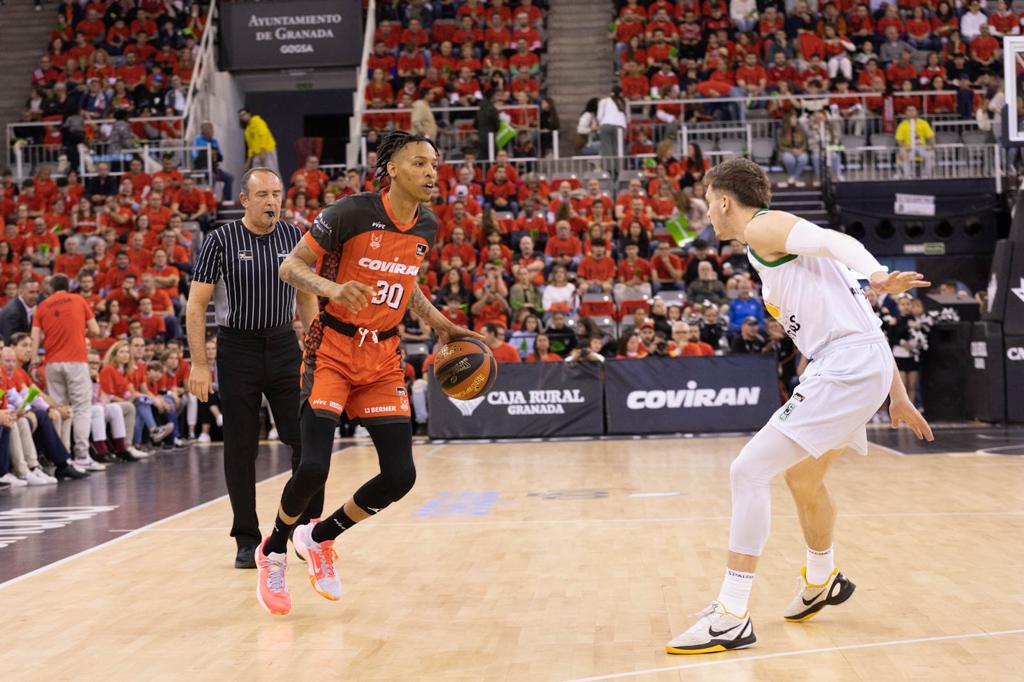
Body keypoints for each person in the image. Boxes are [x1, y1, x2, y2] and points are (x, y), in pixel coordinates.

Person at [665, 157, 932, 655]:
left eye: (708, 202)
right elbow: (862, 322)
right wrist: (896, 393)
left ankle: (731, 614)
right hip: (857, 363)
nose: (707, 212)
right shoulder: (778, 250)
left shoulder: (764, 227)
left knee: (748, 470)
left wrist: (878, 274)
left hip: (847, 368)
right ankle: (821, 577)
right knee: (803, 478)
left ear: (725, 201)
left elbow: (838, 240)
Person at [257, 131, 479, 615]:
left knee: (400, 475)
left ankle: (319, 537)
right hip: (333, 349)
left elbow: (406, 283)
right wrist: (332, 289)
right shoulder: (350, 212)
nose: (430, 173)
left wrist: (441, 324)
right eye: (419, 163)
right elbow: (290, 267)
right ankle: (273, 550)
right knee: (313, 467)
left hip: (382, 357)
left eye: (434, 165)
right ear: (392, 169)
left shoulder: (427, 225)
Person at [187, 167, 320, 569]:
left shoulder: (295, 238)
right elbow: (197, 305)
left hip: (283, 346)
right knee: (240, 449)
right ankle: (246, 539)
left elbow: (307, 298)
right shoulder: (220, 240)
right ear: (244, 200)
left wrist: (316, 351)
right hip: (237, 350)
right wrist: (199, 363)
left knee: (306, 439)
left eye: (276, 194)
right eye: (262, 195)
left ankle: (302, 529)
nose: (271, 202)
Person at [31, 274, 103, 472]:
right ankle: (82, 455)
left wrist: (34, 361)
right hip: (76, 361)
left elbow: (35, 336)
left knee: (59, 409)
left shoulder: (42, 306)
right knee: (81, 407)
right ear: (68, 286)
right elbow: (95, 330)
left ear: (51, 288)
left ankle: (62, 457)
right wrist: (79, 330)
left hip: (52, 363)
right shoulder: (79, 300)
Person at [894, 105, 934, 178]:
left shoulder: (923, 123)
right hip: (908, 147)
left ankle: (926, 175)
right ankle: (907, 175)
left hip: (921, 146)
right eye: (909, 110)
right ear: (906, 113)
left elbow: (930, 137)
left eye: (913, 110)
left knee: (930, 154)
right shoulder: (902, 125)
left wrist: (929, 146)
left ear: (917, 112)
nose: (911, 112)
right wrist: (904, 147)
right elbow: (899, 140)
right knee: (902, 153)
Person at [239, 108, 279, 176]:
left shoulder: (256, 120)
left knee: (272, 172)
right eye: (241, 116)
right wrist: (248, 161)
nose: (243, 117)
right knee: (256, 173)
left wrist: (263, 150)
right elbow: (251, 147)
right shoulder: (247, 130)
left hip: (267, 150)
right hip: (257, 154)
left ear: (249, 114)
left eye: (244, 114)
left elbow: (263, 134)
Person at [596, 86, 627, 157]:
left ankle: (608, 164)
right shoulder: (623, 102)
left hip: (606, 125)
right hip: (619, 126)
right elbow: (626, 116)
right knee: (618, 149)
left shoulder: (604, 101)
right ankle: (619, 164)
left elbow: (599, 116)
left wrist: (600, 124)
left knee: (606, 149)